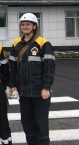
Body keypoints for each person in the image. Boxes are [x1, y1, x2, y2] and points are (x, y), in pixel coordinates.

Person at [9, 13, 56, 145]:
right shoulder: (16, 43)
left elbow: (49, 68)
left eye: (28, 24)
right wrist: (13, 85)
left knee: (40, 122)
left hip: (39, 92)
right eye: (23, 24)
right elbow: (12, 67)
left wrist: (46, 87)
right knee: (27, 122)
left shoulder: (43, 43)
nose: (25, 26)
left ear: (34, 26)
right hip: (23, 92)